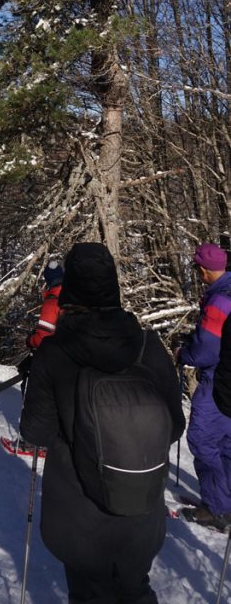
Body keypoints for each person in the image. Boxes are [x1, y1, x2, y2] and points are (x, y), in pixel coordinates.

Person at [20, 242, 185, 604]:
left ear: (71, 288)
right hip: (140, 506)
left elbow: (35, 432)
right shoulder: (148, 346)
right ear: (114, 285)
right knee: (135, 589)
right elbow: (174, 427)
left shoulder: (55, 352)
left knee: (89, 594)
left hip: (79, 516)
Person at [179, 241, 231, 528]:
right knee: (226, 443)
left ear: (203, 269)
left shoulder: (218, 301)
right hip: (229, 380)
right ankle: (225, 501)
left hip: (217, 380)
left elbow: (206, 351)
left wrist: (183, 353)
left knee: (201, 439)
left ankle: (216, 509)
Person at [27, 260, 64, 351]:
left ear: (48, 280)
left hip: (60, 355)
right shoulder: (74, 295)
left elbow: (42, 340)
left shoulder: (52, 302)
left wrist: (30, 340)